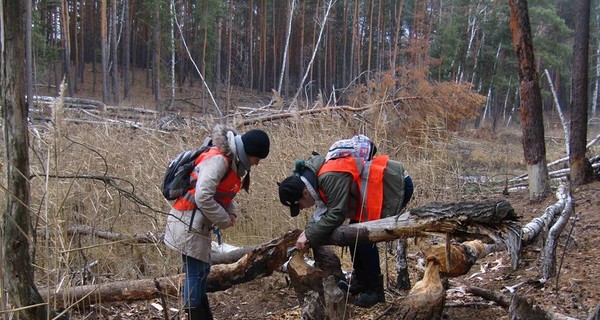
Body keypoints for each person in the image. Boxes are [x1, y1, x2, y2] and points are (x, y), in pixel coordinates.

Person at [278, 143, 413, 308]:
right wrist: (308, 232)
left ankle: (375, 291)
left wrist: (310, 234)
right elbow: (323, 211)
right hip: (381, 185)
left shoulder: (327, 177)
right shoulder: (315, 180)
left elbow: (336, 214)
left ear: (305, 193)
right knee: (355, 231)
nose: (302, 208)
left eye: (299, 204)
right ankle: (362, 282)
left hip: (394, 184)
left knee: (363, 235)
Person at [164, 124, 270, 320]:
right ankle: (194, 315)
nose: (257, 164)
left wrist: (232, 213)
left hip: (196, 225)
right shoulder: (220, 160)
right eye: (258, 159)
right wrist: (223, 219)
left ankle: (203, 315)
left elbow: (223, 194)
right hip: (187, 223)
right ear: (250, 152)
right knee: (195, 275)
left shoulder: (232, 163)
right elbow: (203, 196)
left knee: (202, 271)